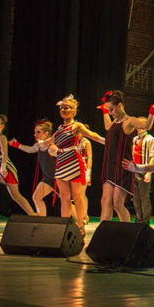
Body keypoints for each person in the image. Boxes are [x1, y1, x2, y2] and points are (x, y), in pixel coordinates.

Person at [98, 90, 154, 222]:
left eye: (112, 109)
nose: (110, 113)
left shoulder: (129, 121)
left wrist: (153, 111)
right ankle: (103, 230)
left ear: (119, 105)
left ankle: (126, 229)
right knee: (105, 200)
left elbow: (147, 125)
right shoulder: (113, 123)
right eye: (109, 110)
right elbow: (107, 126)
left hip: (122, 166)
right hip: (109, 166)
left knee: (117, 203)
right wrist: (104, 111)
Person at [50, 95, 105, 234]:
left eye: (67, 107)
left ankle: (80, 225)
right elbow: (50, 142)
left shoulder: (77, 126)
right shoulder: (60, 127)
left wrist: (109, 142)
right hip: (61, 163)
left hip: (74, 162)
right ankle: (64, 226)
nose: (63, 110)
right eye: (62, 107)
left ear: (74, 111)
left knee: (78, 197)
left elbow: (93, 135)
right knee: (64, 197)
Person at [8, 119, 57, 216]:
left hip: (57, 179)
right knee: (36, 197)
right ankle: (42, 221)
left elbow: (63, 156)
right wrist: (17, 145)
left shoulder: (51, 147)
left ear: (46, 133)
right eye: (35, 132)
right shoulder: (38, 145)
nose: (35, 135)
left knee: (66, 201)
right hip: (48, 179)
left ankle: (82, 219)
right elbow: (29, 149)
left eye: (38, 132)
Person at [132, 125, 154, 223]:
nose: (139, 128)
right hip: (134, 170)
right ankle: (138, 219)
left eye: (142, 126)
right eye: (138, 126)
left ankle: (145, 221)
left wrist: (149, 173)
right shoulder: (134, 139)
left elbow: (153, 157)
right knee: (135, 197)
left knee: (144, 197)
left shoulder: (150, 139)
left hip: (144, 170)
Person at [77, 129, 93, 224]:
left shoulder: (86, 142)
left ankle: (85, 216)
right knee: (78, 194)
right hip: (76, 169)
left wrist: (88, 172)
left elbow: (90, 158)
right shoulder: (74, 142)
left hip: (84, 168)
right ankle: (81, 215)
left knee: (82, 193)